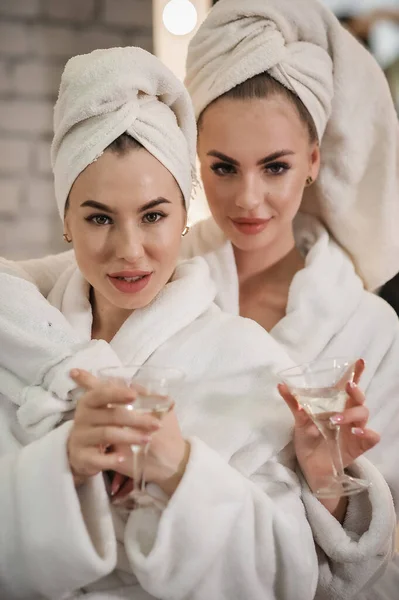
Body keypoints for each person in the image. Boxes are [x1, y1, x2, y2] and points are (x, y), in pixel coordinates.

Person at [0, 1, 397, 596]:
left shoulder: (362, 328)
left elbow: (340, 564)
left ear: (313, 160)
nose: (248, 199)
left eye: (276, 167)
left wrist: (330, 482)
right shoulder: (115, 281)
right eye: (223, 166)